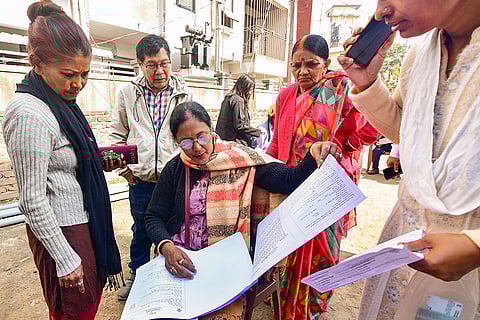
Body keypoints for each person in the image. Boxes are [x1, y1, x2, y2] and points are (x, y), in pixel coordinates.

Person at [338, 0, 480, 318]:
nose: (380, 11)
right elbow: (410, 138)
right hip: (405, 245)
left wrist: (476, 245)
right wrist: (366, 82)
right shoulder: (419, 55)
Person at [144, 101, 342, 319]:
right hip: (181, 256)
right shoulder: (175, 169)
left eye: (201, 137)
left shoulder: (241, 159)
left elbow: (288, 180)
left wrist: (312, 155)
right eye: (187, 142)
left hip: (227, 262)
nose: (197, 147)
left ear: (212, 131)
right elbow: (154, 216)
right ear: (177, 142)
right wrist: (166, 246)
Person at [2, 1, 123, 318]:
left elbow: (69, 162)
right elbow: (31, 199)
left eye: (84, 74)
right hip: (62, 231)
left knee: (87, 306)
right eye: (68, 74)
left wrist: (98, 162)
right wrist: (65, 257)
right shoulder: (29, 114)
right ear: (38, 64)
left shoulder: (61, 102)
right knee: (73, 312)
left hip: (82, 222)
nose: (78, 84)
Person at [267, 34, 377, 318]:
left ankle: (315, 308)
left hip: (327, 188)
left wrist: (342, 146)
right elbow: (278, 142)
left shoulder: (339, 89)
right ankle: (289, 302)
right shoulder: (285, 96)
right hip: (291, 185)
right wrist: (268, 169)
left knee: (322, 253)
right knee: (287, 249)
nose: (303, 72)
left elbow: (371, 128)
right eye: (296, 65)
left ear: (325, 63)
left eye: (311, 64)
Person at [110, 34, 193, 300]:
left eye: (164, 63)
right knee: (141, 229)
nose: (160, 71)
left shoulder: (183, 93)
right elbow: (117, 135)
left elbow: (191, 132)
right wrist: (127, 172)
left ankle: (167, 277)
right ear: (140, 64)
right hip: (142, 180)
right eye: (151, 65)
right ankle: (137, 275)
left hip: (176, 177)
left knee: (176, 227)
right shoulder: (127, 93)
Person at [215, 73, 261, 147]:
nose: (250, 92)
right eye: (250, 89)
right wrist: (258, 132)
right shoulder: (238, 100)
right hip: (235, 142)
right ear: (244, 87)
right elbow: (240, 125)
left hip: (224, 140)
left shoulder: (229, 97)